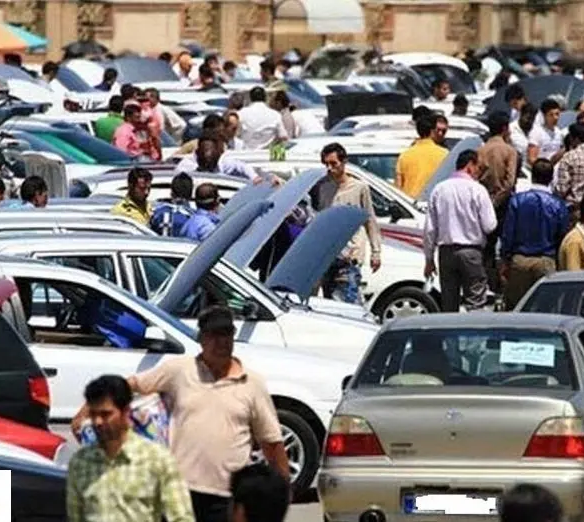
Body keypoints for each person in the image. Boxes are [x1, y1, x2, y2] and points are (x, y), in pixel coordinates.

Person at [128, 306, 288, 522]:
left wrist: (282, 494)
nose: (221, 342)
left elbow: (272, 442)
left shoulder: (252, 383)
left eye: (226, 334)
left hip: (226, 498)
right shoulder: (179, 370)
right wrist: (89, 409)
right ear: (202, 339)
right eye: (214, 335)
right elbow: (133, 384)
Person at [66, 375, 194, 522]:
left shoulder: (157, 459)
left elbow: (181, 517)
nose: (98, 422)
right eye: (93, 415)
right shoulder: (80, 462)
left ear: (125, 412)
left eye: (106, 414)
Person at [423, 150, 497, 312]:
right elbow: (490, 225)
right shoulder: (477, 190)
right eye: (478, 168)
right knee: (475, 302)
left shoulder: (439, 189)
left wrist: (429, 259)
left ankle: (450, 328)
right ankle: (473, 328)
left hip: (446, 253)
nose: (479, 172)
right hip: (471, 252)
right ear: (470, 165)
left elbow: (430, 229)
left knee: (449, 303)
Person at [313, 143, 381, 304]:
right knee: (330, 302)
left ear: (344, 162)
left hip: (350, 256)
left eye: (333, 164)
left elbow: (370, 220)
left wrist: (376, 251)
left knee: (347, 302)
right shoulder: (322, 187)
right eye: (326, 164)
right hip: (327, 256)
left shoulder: (359, 188)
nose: (330, 168)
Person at [500, 159, 569, 309]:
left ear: (532, 176)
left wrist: (505, 258)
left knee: (517, 308)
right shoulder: (558, 204)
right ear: (551, 178)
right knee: (547, 309)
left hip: (520, 261)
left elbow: (508, 232)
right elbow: (562, 235)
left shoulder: (517, 200)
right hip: (546, 261)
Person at [478, 111, 519, 293]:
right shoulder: (509, 151)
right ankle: (504, 286)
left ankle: (487, 283)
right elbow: (510, 182)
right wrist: (498, 199)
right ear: (504, 129)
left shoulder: (481, 150)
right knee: (507, 246)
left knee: (486, 245)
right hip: (504, 204)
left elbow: (477, 177)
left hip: (484, 201)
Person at [395, 115, 448, 198]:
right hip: (433, 201)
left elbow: (398, 188)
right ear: (432, 131)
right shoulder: (444, 154)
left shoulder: (405, 155)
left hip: (409, 203)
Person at [527, 98, 563, 165]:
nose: (555, 118)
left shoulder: (559, 132)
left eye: (557, 114)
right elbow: (532, 158)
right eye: (551, 115)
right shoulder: (536, 132)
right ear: (544, 116)